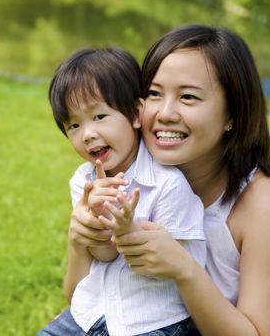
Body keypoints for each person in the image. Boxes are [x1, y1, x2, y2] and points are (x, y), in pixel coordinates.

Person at [69, 25, 270, 335]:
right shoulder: (135, 180)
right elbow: (79, 304)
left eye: (189, 97)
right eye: (154, 93)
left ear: (231, 115)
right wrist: (79, 242)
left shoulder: (263, 202)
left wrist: (184, 269)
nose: (165, 113)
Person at [39, 47, 206, 336]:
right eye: (74, 125)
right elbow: (103, 255)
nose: (87, 133)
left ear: (135, 114)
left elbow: (161, 268)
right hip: (94, 314)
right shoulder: (84, 181)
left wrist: (127, 228)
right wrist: (97, 219)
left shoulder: (168, 184)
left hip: (152, 323)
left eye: (99, 116)